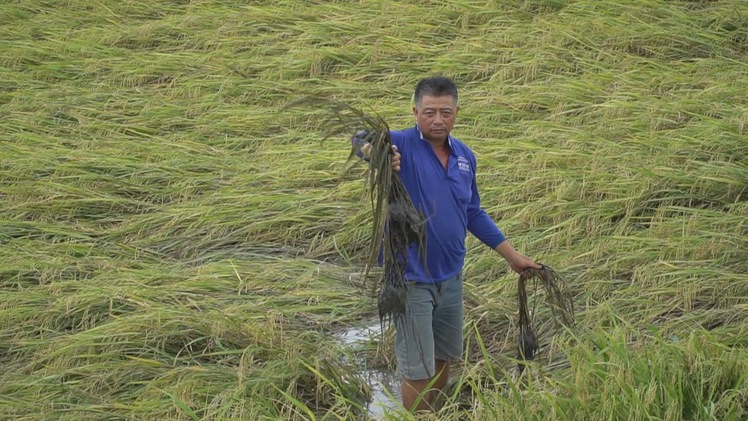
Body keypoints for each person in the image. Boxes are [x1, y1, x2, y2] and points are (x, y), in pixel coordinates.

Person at [357, 76, 541, 412]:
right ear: (415, 111)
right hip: (411, 278)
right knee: (417, 367)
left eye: (445, 112)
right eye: (429, 112)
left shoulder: (465, 157)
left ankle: (435, 413)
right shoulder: (399, 145)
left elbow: (472, 212)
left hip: (451, 277)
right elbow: (362, 139)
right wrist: (375, 153)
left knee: (443, 356)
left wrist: (513, 256)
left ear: (456, 112)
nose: (437, 120)